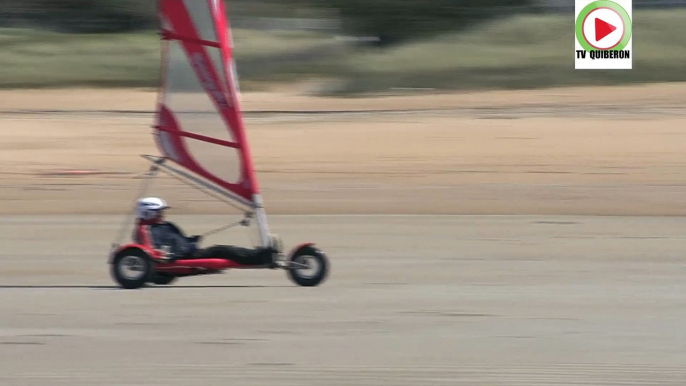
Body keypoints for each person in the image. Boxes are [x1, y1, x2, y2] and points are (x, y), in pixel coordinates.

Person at [135, 197, 281, 266]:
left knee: (221, 249)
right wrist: (166, 255)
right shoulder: (146, 230)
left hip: (188, 251)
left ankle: (262, 254)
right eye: (158, 212)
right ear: (148, 213)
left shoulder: (165, 226)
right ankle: (262, 257)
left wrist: (192, 240)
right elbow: (151, 251)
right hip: (184, 257)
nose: (162, 215)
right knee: (222, 250)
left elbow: (178, 240)